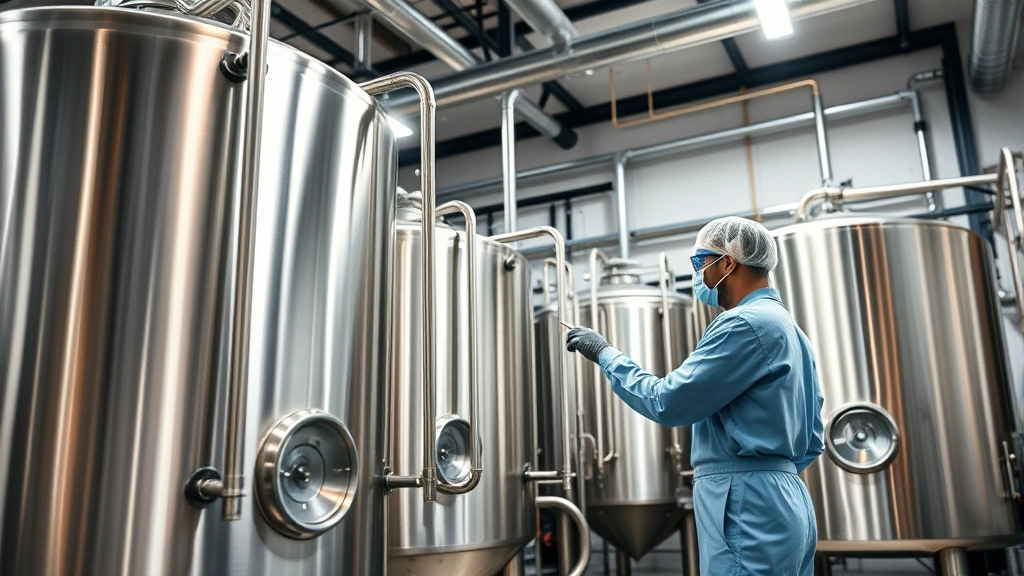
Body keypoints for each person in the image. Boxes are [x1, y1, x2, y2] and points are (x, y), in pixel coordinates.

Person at [565, 216, 824, 576]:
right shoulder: (793, 332)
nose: (699, 275)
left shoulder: (743, 323)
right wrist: (771, 474)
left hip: (746, 505)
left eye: (700, 263)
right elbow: (813, 439)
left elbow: (667, 401)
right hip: (789, 500)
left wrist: (606, 354)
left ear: (728, 262)